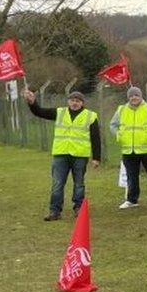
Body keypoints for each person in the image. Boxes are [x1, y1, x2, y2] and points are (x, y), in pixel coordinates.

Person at [23, 88, 101, 220]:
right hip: (61, 154)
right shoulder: (60, 112)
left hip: (80, 155)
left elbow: (95, 138)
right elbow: (39, 112)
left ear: (82, 103)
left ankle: (78, 208)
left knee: (79, 184)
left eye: (78, 101)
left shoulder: (90, 116)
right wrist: (32, 102)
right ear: (68, 101)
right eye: (72, 100)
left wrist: (96, 158)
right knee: (57, 183)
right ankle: (55, 211)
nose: (74, 103)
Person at [110, 87, 147, 208]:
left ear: (141, 96)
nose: (133, 98)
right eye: (131, 96)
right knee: (131, 176)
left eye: (136, 95)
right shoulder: (121, 110)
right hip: (128, 150)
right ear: (128, 97)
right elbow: (113, 125)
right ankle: (132, 200)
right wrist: (118, 135)